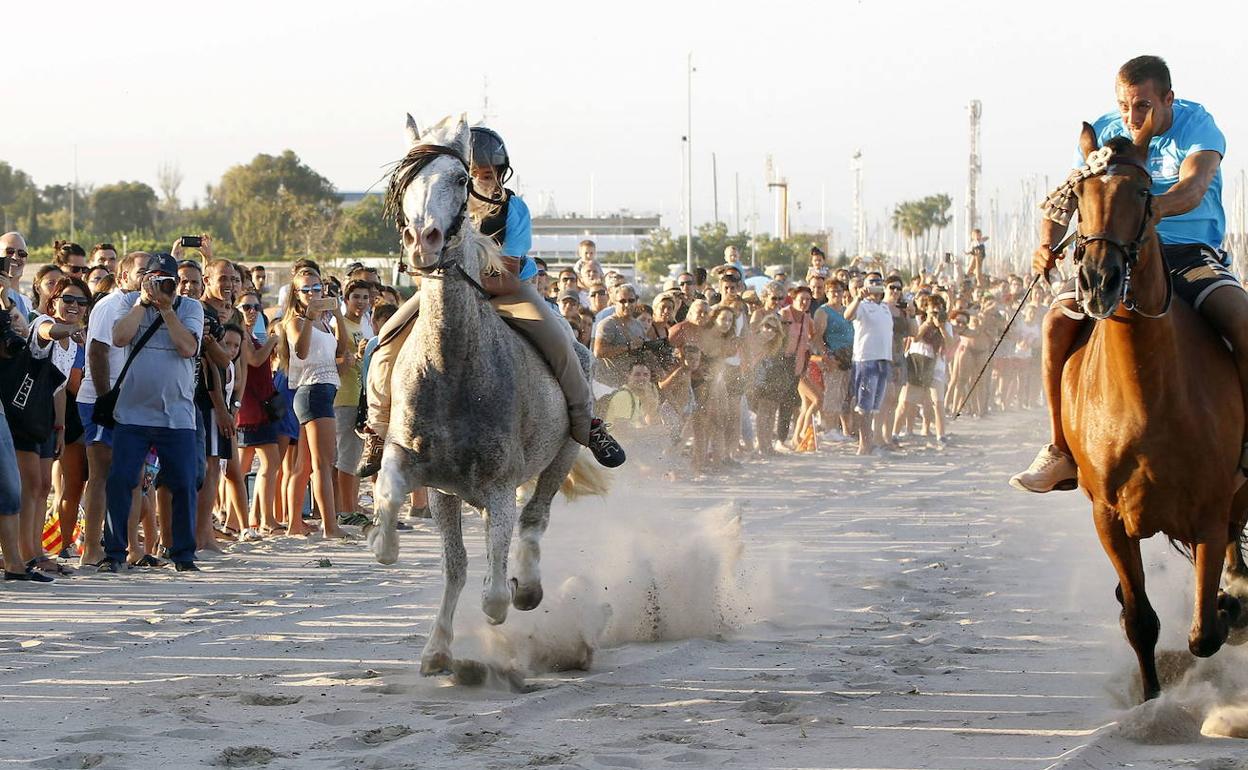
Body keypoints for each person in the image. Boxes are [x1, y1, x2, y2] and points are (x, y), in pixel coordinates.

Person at [1013, 55, 1248, 493]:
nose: (1130, 117)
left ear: (1168, 99)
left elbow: (1192, 189)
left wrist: (1143, 209)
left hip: (1187, 252)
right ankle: (1060, 449)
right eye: (1124, 105)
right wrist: (1046, 241)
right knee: (1055, 323)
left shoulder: (1198, 128)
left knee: (1243, 321)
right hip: (1118, 252)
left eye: (1142, 106)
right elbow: (1068, 194)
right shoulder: (1105, 130)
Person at [358, 124, 625, 476]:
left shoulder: (514, 210)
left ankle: (586, 425)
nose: (481, 179)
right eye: (473, 173)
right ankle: (377, 431)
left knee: (564, 347)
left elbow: (508, 274)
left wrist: (462, 279)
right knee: (382, 343)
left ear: (500, 172)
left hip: (507, 291)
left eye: (487, 173)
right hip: (445, 294)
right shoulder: (446, 202)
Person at [103, 252, 204, 573]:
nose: (160, 286)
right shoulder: (130, 302)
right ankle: (115, 552)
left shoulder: (190, 306)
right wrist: (143, 302)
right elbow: (119, 338)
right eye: (153, 278)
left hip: (177, 415)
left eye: (166, 281)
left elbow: (188, 347)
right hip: (132, 414)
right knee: (120, 481)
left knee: (184, 483)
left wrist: (167, 308)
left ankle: (184, 554)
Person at [76, 251, 148, 567]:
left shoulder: (143, 307)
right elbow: (96, 352)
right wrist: (107, 401)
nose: (148, 278)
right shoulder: (110, 306)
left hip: (132, 402)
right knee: (101, 475)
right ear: (122, 277)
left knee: (133, 475)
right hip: (100, 400)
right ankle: (92, 548)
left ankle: (131, 546)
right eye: (142, 272)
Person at [282, 267, 350, 538]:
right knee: (323, 463)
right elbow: (300, 350)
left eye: (316, 289)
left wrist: (337, 315)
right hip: (313, 391)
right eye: (305, 290)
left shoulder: (324, 321)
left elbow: (343, 347)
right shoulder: (296, 320)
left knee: (305, 465)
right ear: (296, 295)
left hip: (322, 390)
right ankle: (330, 527)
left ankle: (293, 524)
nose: (312, 294)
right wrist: (309, 317)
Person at [333, 278, 372, 523]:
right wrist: (354, 357)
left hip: (360, 396)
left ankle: (351, 505)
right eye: (356, 296)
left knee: (355, 455)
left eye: (365, 297)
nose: (361, 302)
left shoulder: (365, 325)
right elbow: (335, 359)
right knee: (346, 456)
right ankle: (345, 511)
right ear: (346, 299)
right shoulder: (341, 325)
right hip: (344, 396)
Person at [844, 275, 894, 456]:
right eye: (871, 282)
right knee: (864, 405)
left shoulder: (885, 307)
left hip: (884, 359)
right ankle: (864, 445)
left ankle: (869, 442)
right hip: (866, 359)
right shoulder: (863, 306)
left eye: (878, 282)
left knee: (874, 405)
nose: (875, 285)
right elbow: (847, 315)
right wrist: (857, 297)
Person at [593, 283, 648, 387]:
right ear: (614, 302)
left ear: (636, 301)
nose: (627, 304)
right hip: (607, 384)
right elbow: (598, 352)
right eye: (622, 301)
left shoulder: (638, 325)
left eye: (631, 300)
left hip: (630, 384)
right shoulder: (607, 324)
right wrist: (628, 346)